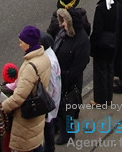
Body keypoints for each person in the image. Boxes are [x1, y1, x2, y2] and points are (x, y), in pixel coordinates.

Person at [1, 26, 51, 152]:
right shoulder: (43, 57)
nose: (20, 45)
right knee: (36, 144)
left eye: (21, 42)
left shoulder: (30, 67)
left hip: (26, 119)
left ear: (28, 44)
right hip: (38, 113)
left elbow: (19, 97)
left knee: (27, 146)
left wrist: (3, 107)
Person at [52, 8, 91, 145]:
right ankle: (61, 128)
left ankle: (68, 134)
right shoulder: (65, 34)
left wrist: (64, 77)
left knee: (67, 108)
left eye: (65, 22)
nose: (62, 24)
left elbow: (79, 66)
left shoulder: (82, 41)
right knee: (61, 107)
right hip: (60, 78)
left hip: (69, 81)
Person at [90, 0, 118, 106]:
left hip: (102, 45)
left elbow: (97, 30)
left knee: (100, 72)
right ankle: (108, 98)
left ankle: (100, 100)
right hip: (113, 43)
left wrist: (93, 44)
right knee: (109, 70)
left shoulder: (101, 8)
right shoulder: (118, 5)